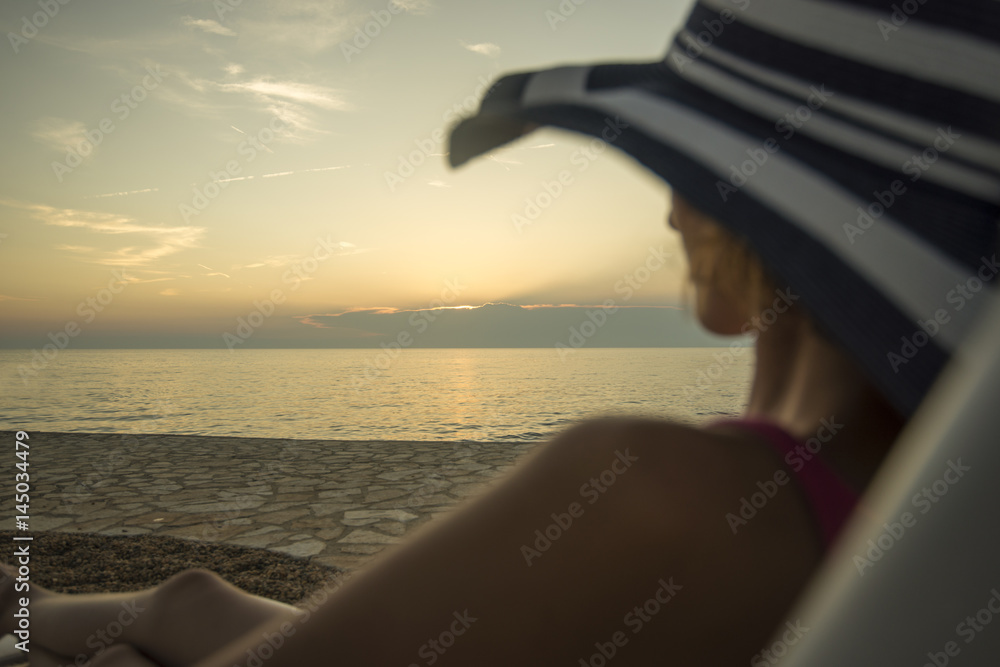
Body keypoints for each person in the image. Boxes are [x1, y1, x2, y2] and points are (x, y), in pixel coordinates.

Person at [4, 0, 998, 664]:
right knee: (192, 602)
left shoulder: (666, 496)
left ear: (755, 220)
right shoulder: (947, 519)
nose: (666, 213)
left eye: (687, 176)